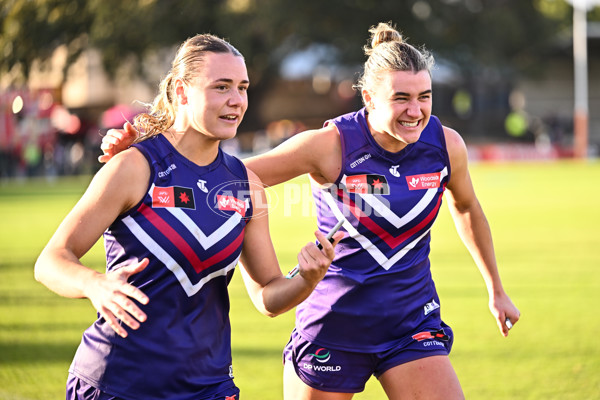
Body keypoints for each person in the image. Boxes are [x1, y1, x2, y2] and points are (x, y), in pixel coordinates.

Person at [99, 22, 520, 400]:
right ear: (370, 98)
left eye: (425, 97)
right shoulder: (331, 145)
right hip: (335, 323)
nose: (416, 111)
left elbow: (466, 207)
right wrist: (144, 156)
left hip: (411, 321)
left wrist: (496, 288)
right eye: (402, 99)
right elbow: (235, 176)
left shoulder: (445, 146)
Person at [35, 33, 343, 400]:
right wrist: (93, 284)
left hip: (209, 387)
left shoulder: (246, 183)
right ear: (181, 92)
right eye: (221, 87)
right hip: (120, 384)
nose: (236, 100)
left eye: (242, 88)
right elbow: (51, 261)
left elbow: (267, 296)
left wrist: (307, 280)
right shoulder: (134, 167)